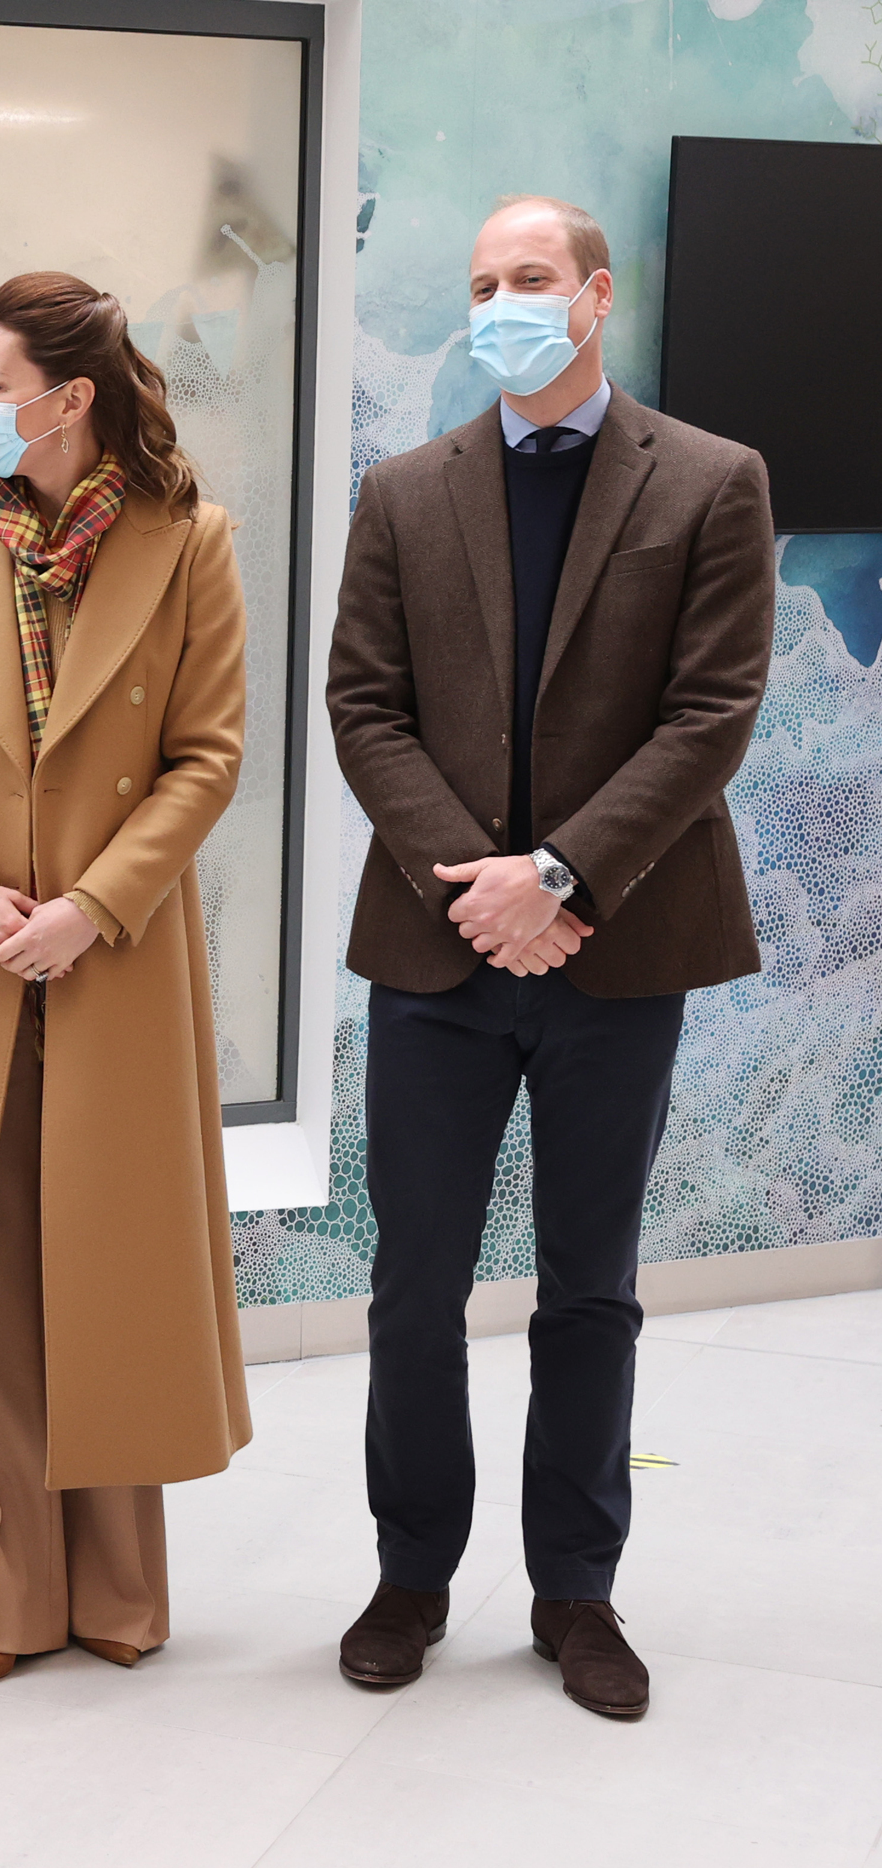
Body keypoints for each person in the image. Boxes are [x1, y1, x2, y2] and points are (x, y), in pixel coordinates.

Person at [324, 194, 774, 1720]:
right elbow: (364, 708)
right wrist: (483, 886)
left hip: (619, 946)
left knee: (592, 1289)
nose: (502, 302)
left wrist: (564, 874)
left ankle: (576, 1591)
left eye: (530, 278)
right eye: (480, 284)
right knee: (412, 1288)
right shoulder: (401, 492)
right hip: (440, 955)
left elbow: (711, 713)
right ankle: (411, 1569)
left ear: (594, 296)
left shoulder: (712, 482)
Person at [0, 271, 251, 1688]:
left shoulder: (187, 540)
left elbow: (209, 755)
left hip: (115, 958)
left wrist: (93, 905)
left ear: (68, 398)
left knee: (108, 1262)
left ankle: (115, 1590)